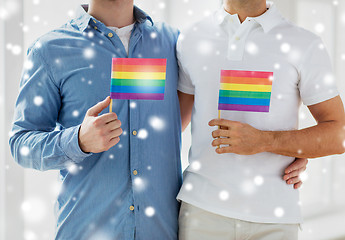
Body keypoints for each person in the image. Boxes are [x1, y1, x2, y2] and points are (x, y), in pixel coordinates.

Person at [9, 0, 307, 239]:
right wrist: (78, 141)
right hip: (87, 227)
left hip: (162, 230)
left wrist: (283, 149)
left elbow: (219, 103)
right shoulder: (51, 49)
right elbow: (21, 143)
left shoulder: (172, 42)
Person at [177, 0, 345, 239]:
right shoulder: (191, 37)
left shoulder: (304, 44)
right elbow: (172, 127)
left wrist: (267, 141)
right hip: (201, 214)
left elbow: (339, 135)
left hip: (275, 221)